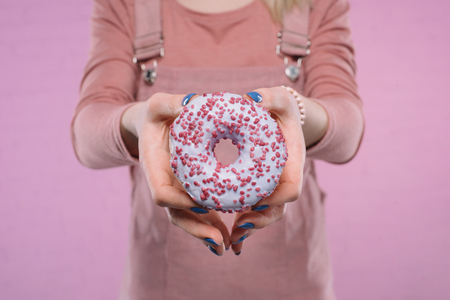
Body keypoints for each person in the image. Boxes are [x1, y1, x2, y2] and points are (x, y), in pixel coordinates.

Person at [71, 0, 364, 299]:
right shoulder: (127, 5)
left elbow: (348, 127)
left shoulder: (312, 4)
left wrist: (297, 111)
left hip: (293, 283)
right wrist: (138, 118)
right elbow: (87, 134)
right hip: (162, 284)